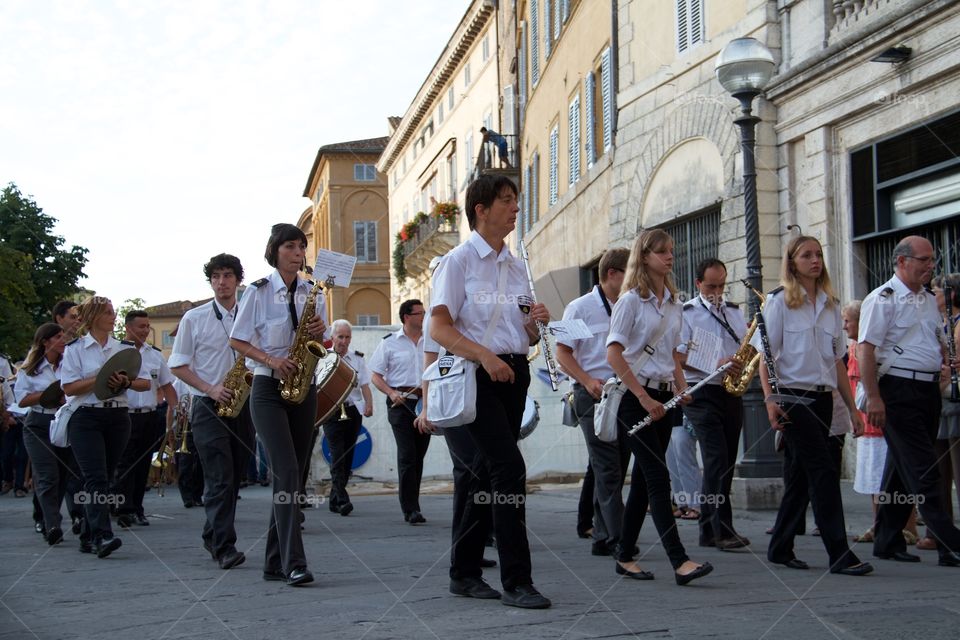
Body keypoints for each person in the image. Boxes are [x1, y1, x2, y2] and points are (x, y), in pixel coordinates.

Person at [430, 173, 551, 608]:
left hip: (514, 373)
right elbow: (439, 327)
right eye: (506, 200)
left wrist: (535, 326)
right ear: (481, 209)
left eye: (516, 199)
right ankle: (517, 582)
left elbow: (526, 335)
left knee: (483, 471)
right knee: (507, 468)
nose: (515, 207)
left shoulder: (517, 266)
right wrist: (485, 356)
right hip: (476, 374)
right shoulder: (457, 262)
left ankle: (463, 573)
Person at [753, 235, 871, 575]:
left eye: (818, 254)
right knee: (823, 472)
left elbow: (837, 362)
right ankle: (839, 553)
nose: (815, 260)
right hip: (792, 397)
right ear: (792, 262)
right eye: (807, 255)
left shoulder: (831, 305)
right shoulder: (779, 303)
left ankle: (780, 547)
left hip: (822, 398)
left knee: (801, 478)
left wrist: (851, 409)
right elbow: (767, 359)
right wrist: (770, 400)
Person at [606, 228, 712, 585]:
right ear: (645, 256)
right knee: (658, 477)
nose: (670, 256)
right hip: (634, 400)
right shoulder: (630, 301)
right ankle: (679, 561)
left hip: (664, 398)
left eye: (671, 251)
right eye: (662, 251)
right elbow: (614, 354)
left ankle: (624, 555)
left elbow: (672, 357)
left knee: (641, 484)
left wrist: (681, 389)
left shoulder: (673, 303)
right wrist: (643, 396)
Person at [230, 224, 327, 586]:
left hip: (304, 389)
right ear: (276, 251)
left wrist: (319, 333)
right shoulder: (256, 292)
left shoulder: (313, 292)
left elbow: (326, 342)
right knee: (285, 473)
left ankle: (273, 561)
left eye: (302, 246)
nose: (299, 252)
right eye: (291, 246)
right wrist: (271, 361)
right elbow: (238, 341)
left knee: (294, 478)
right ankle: (294, 562)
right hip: (268, 390)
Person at [859, 237, 960, 567]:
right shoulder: (882, 299)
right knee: (924, 468)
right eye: (924, 260)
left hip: (927, 391)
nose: (931, 266)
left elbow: (932, 340)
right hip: (897, 391)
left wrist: (942, 362)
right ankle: (950, 542)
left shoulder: (928, 299)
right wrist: (874, 396)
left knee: (902, 470)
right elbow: (867, 351)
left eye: (933, 260)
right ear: (902, 262)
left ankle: (887, 539)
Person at [170, 253, 249, 570]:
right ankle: (224, 546)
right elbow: (177, 365)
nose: (221, 282)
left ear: (237, 280)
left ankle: (211, 532)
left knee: (234, 478)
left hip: (243, 404)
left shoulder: (250, 315)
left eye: (227, 275)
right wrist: (211, 388)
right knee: (218, 476)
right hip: (208, 404)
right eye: (215, 276)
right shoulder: (195, 318)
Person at [555, 247, 631, 557]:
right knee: (608, 468)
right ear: (612, 274)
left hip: (624, 393)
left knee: (617, 466)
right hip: (592, 394)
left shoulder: (628, 305)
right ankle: (617, 538)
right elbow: (562, 353)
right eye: (629, 273)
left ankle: (602, 535)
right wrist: (587, 381)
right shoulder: (577, 307)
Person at [61, 296, 149, 558]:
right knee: (95, 477)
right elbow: (69, 388)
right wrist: (99, 378)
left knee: (106, 477)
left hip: (118, 415)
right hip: (85, 417)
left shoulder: (123, 348)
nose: (113, 316)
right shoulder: (76, 349)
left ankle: (88, 533)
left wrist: (126, 381)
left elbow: (144, 383)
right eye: (108, 312)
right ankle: (102, 534)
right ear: (94, 316)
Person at [676, 258, 752, 551]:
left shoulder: (733, 312)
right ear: (698, 284)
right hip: (701, 392)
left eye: (721, 286)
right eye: (711, 286)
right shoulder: (687, 314)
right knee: (716, 457)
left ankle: (710, 530)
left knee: (727, 459)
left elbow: (742, 347)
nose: (717, 292)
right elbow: (677, 356)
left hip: (730, 392)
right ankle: (720, 529)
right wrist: (715, 363)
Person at [113, 310, 177, 528]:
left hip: (149, 415)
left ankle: (137, 508)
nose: (146, 330)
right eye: (141, 326)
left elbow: (167, 385)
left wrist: (175, 412)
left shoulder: (155, 355)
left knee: (142, 466)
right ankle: (123, 508)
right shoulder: (115, 351)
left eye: (147, 326)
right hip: (123, 414)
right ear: (128, 328)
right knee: (124, 464)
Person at [369, 299, 430, 524]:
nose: (424, 316)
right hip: (400, 404)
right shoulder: (389, 343)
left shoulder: (431, 341)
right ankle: (410, 508)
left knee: (418, 456)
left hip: (424, 405)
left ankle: (413, 502)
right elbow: (375, 374)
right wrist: (391, 393)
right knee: (407, 455)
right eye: (420, 313)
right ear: (406, 316)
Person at [15, 323, 70, 544]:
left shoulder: (68, 364)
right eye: (58, 336)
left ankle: (46, 516)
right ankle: (52, 524)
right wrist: (48, 394)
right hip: (38, 422)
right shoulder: (31, 368)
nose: (64, 339)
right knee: (47, 475)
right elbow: (21, 399)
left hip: (63, 420)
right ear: (46, 341)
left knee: (63, 475)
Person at [321, 319, 373, 516]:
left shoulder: (357, 358)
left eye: (347, 336)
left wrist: (369, 404)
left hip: (352, 410)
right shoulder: (325, 358)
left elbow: (365, 384)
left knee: (348, 455)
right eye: (340, 336)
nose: (344, 340)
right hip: (332, 411)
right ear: (333, 337)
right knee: (338, 454)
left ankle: (334, 498)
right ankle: (342, 499)